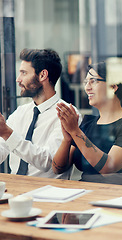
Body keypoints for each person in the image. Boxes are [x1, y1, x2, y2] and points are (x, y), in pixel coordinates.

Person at [52, 61, 122, 186]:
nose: (87, 87)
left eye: (93, 81)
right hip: (85, 193)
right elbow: (58, 169)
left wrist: (75, 131)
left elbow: (108, 168)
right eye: (86, 82)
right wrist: (67, 139)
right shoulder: (87, 123)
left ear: (113, 87)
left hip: (120, 196)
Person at [0, 48, 79, 179]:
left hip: (46, 191)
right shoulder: (20, 112)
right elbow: (2, 148)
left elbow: (49, 162)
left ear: (43, 75)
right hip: (15, 188)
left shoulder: (68, 114)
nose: (18, 79)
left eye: (24, 73)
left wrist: (8, 133)